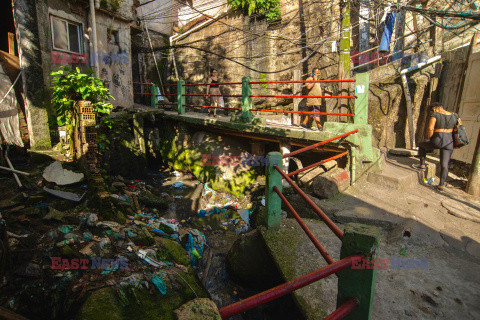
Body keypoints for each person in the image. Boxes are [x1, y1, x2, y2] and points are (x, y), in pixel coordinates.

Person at [412, 102, 461, 191]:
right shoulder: (455, 116)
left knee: (422, 145)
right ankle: (441, 186)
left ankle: (422, 165)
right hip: (449, 141)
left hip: (438, 139)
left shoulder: (435, 115)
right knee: (444, 164)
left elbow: (430, 128)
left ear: (434, 109)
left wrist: (431, 139)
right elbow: (459, 128)